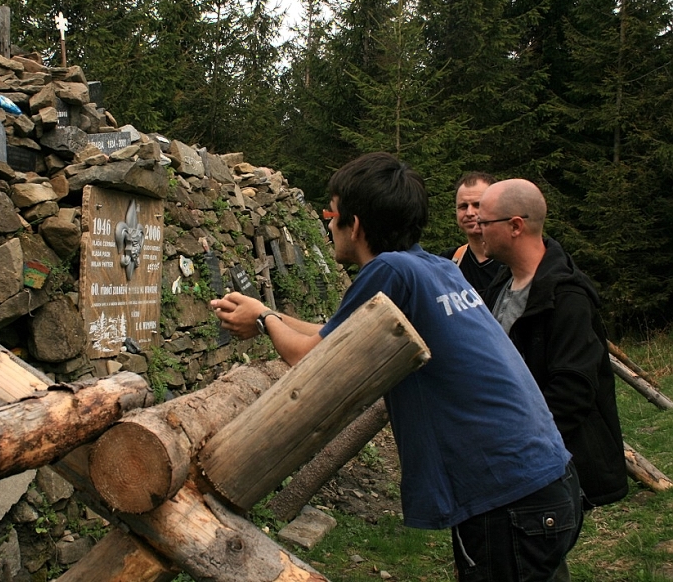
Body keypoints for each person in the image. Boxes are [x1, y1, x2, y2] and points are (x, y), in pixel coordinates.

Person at [212, 153, 582, 581]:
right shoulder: (434, 268)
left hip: (504, 496)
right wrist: (267, 317)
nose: (327, 224)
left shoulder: (389, 270)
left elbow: (312, 356)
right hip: (543, 482)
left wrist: (262, 319)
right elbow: (335, 335)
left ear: (356, 224)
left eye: (331, 213)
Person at [478, 178, 628, 510]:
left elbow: (572, 392)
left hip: (550, 470)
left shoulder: (567, 297)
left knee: (534, 559)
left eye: (484, 221)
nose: (477, 229)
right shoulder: (502, 283)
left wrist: (514, 446)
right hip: (514, 466)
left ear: (515, 226)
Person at [440, 172, 502, 294]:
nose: (469, 213)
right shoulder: (447, 263)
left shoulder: (514, 262)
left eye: (477, 205)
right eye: (463, 206)